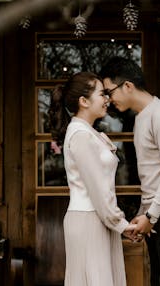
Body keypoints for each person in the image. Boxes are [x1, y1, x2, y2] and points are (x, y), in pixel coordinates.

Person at [100, 57, 160, 286]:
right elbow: (152, 174)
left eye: (109, 92)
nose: (108, 100)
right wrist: (145, 213)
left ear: (128, 86)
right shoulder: (142, 117)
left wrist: (151, 215)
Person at [47, 71, 137, 286]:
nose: (107, 99)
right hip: (89, 219)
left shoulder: (89, 132)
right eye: (102, 94)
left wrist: (117, 222)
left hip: (99, 217)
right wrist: (121, 224)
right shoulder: (80, 135)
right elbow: (96, 188)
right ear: (84, 101)